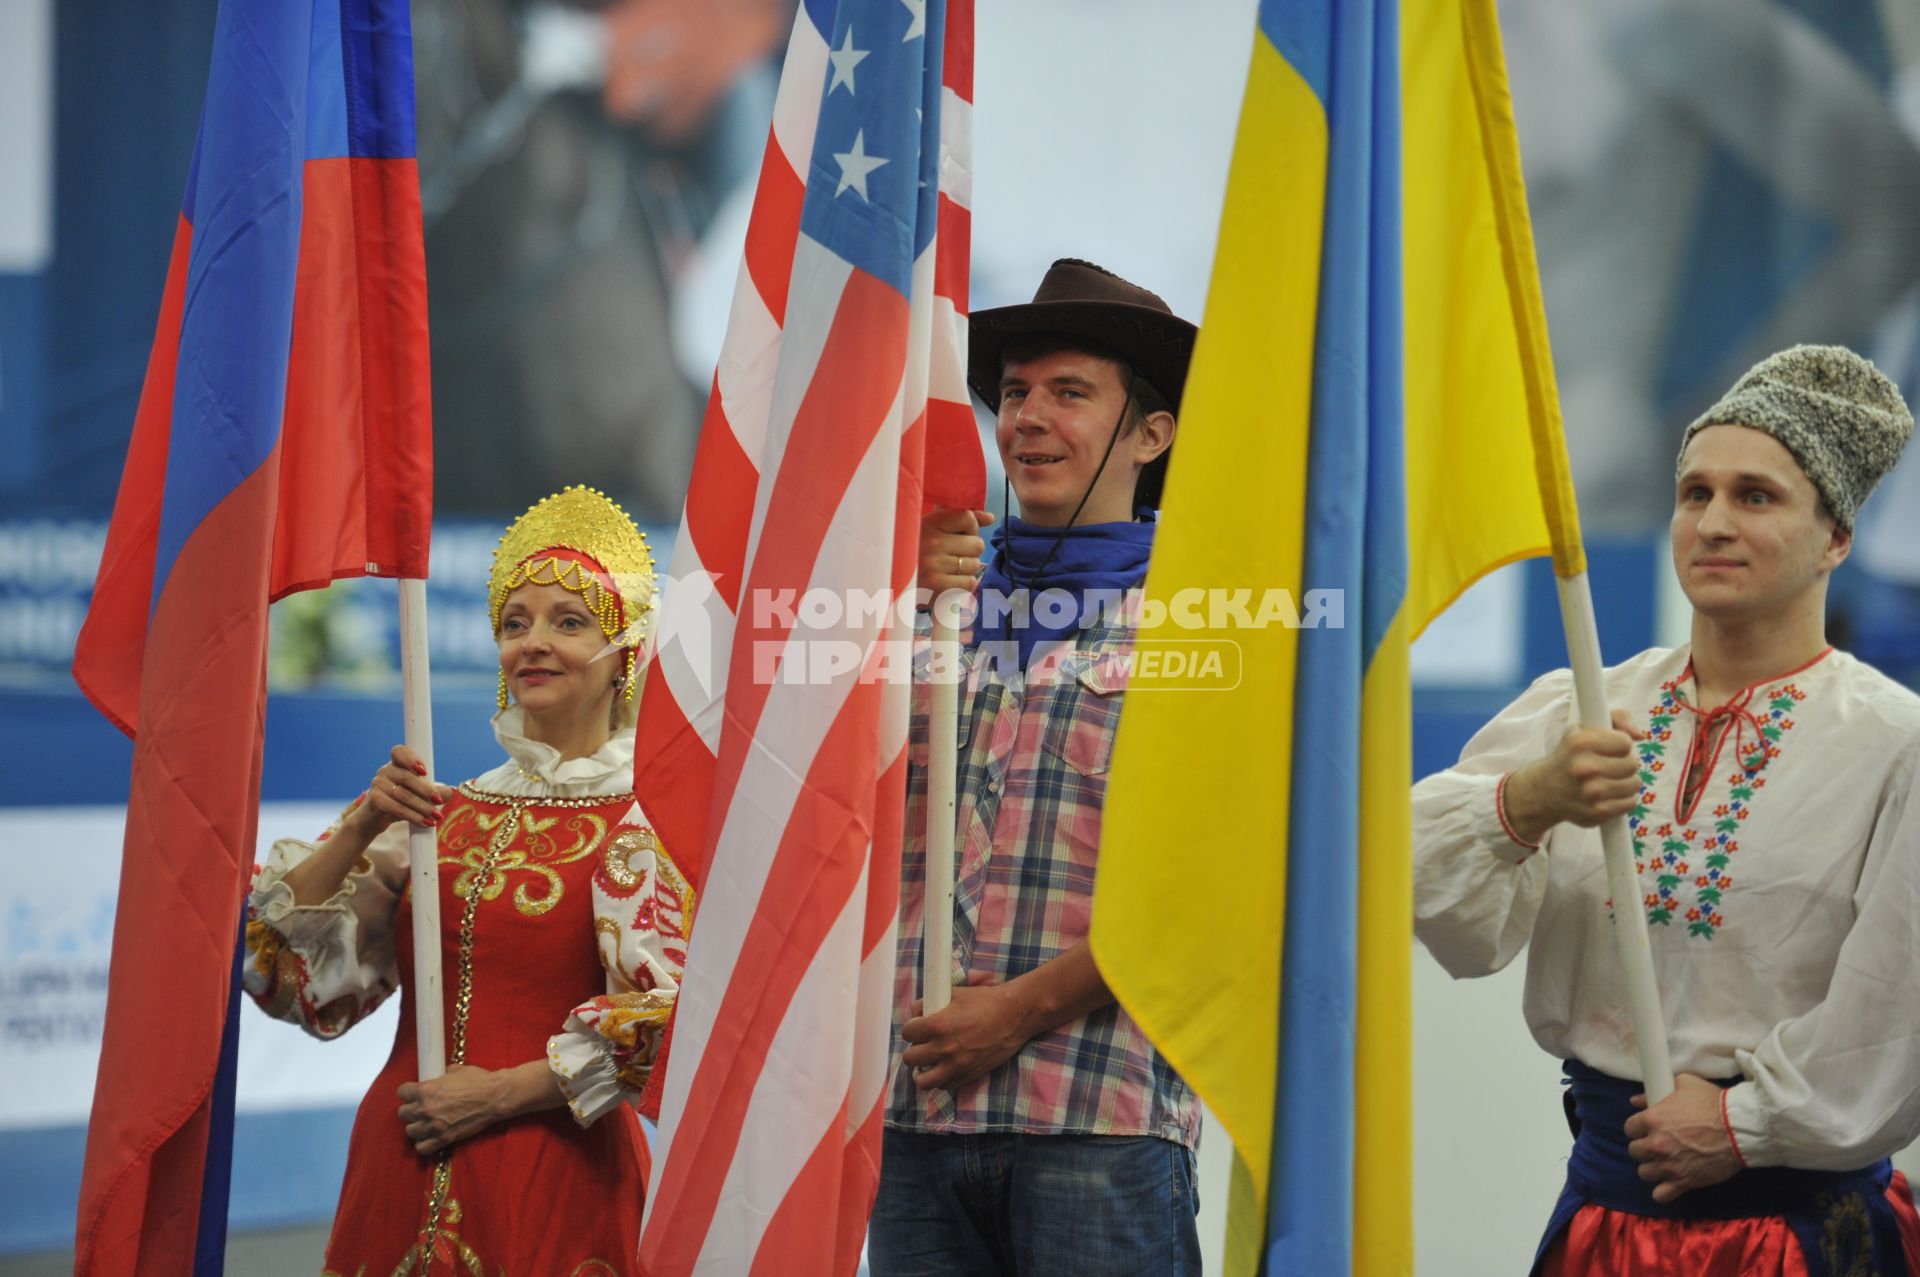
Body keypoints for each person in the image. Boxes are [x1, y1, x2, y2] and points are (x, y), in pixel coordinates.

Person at [1413, 345, 1920, 1275]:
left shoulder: (1895, 744)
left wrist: (1745, 1124)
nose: (1713, 523)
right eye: (1695, 493)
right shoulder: (1588, 705)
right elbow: (1409, 884)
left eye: (1755, 497)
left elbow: (1902, 1005)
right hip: (1606, 1213)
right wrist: (1526, 802)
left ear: (1837, 538)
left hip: (1794, 1237)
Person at [243, 486, 693, 1274]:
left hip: (552, 1176)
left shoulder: (643, 824)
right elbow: (280, 977)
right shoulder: (436, 816)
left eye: (568, 620)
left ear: (626, 649)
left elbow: (664, 1024)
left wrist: (497, 1094)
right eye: (515, 623)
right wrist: (360, 825)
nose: (534, 642)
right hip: (399, 1160)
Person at [868, 259, 1203, 1275]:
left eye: (1070, 392)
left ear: (1153, 433)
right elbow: (825, 801)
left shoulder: (1204, 619)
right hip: (913, 1116)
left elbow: (1209, 891)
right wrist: (892, 597)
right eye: (1013, 392)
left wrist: (1016, 1010)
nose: (1027, 418)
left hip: (1099, 1114)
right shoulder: (926, 598)